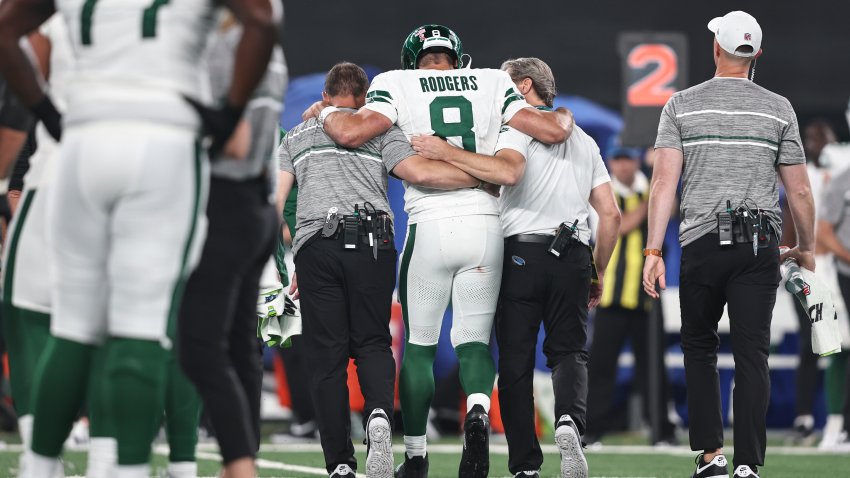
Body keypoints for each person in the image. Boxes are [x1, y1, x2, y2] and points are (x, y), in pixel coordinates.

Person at [0, 0, 278, 476]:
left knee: (71, 329)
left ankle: (38, 465)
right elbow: (261, 18)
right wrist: (230, 113)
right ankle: (133, 468)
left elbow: (6, 29)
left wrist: (46, 112)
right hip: (163, 139)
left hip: (81, 142)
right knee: (142, 327)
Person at [310, 25, 573, 478]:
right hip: (485, 224)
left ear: (415, 59)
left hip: (430, 224)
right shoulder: (492, 80)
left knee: (419, 347)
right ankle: (475, 407)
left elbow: (353, 133)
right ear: (458, 56)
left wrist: (325, 112)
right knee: (473, 343)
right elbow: (552, 128)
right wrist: (560, 116)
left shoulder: (396, 82)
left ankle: (415, 454)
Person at [279, 61, 489, 478]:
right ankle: (378, 416)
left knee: (328, 358)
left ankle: (339, 461)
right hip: (373, 243)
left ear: (325, 96)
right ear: (365, 98)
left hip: (315, 246)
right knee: (374, 343)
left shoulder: (296, 136)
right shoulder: (382, 129)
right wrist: (481, 177)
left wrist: (287, 259)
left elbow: (275, 200)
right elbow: (420, 173)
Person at [414, 56, 620, 478]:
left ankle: (525, 464)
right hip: (575, 252)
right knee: (569, 352)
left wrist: (445, 152)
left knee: (515, 362)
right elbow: (611, 215)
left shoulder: (511, 129)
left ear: (524, 87)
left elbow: (497, 176)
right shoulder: (584, 139)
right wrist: (596, 269)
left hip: (520, 252)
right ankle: (569, 422)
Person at [642, 11, 814, 478]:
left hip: (701, 241)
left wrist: (653, 251)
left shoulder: (680, 104)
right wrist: (807, 247)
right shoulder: (779, 108)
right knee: (751, 353)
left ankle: (710, 458)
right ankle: (747, 466)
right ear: (755, 54)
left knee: (699, 348)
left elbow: (663, 184)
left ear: (715, 48)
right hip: (758, 244)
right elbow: (798, 191)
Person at [177, 11, 285, 478]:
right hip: (257, 203)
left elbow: (233, 139)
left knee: (199, 344)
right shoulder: (270, 48)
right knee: (241, 343)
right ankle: (242, 459)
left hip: (224, 197)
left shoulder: (223, 42)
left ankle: (239, 464)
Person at [585, 147, 677, 447]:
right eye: (618, 160)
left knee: (653, 367)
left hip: (647, 295)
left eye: (628, 159)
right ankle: (592, 430)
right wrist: (653, 200)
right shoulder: (603, 191)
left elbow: (673, 205)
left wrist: (657, 186)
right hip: (609, 296)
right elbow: (617, 226)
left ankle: (661, 430)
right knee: (601, 366)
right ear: (611, 162)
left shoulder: (651, 188)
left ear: (636, 161)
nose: (623, 166)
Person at [781, 119, 837, 444]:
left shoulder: (840, 175)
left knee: (838, 347)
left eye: (824, 138)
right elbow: (792, 213)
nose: (818, 145)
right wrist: (789, 264)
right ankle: (805, 417)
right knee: (810, 344)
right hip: (810, 268)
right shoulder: (803, 176)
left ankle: (837, 419)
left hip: (836, 270)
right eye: (814, 139)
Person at [817, 167, 850, 448]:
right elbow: (823, 232)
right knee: (841, 346)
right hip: (843, 276)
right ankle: (837, 424)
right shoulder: (842, 180)